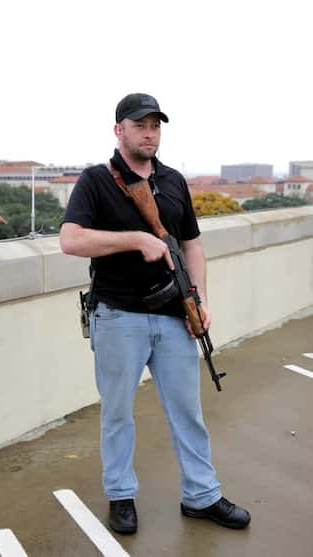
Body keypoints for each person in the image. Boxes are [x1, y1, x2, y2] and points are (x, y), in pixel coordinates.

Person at [59, 93, 250, 534]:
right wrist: (136, 240)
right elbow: (70, 240)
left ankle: (201, 496)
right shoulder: (95, 181)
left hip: (172, 317)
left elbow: (192, 245)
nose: (149, 133)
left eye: (156, 125)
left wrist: (197, 299)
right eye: (140, 125)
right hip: (117, 316)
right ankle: (121, 496)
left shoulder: (173, 180)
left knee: (188, 411)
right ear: (118, 130)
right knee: (118, 413)